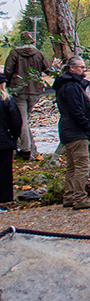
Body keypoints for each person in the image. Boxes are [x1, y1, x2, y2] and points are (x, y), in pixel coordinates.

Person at [52, 56, 90, 210]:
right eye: (81, 67)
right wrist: (87, 127)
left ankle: (69, 195)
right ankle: (79, 197)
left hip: (68, 129)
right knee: (82, 165)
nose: (84, 70)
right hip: (75, 131)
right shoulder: (71, 86)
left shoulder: (67, 85)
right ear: (72, 68)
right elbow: (76, 110)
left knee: (72, 165)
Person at [4, 31, 52, 160]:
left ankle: (25, 150)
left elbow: (7, 70)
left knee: (22, 120)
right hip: (35, 90)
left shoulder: (15, 53)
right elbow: (48, 69)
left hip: (19, 89)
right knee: (25, 118)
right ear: (32, 40)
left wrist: (8, 85)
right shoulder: (38, 54)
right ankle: (28, 146)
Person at [0, 74, 22, 211]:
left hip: (5, 139)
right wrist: (14, 137)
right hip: (4, 141)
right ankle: (3, 200)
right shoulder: (7, 100)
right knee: (4, 172)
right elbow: (16, 121)